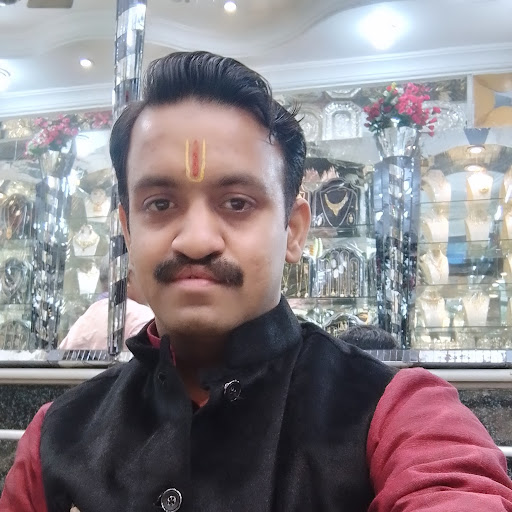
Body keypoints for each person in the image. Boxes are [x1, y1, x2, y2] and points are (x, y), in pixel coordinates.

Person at [2, 51, 512, 512]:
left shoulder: (396, 414)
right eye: (160, 204)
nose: (196, 240)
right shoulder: (55, 440)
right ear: (128, 230)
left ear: (293, 230)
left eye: (237, 203)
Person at [58, 267, 154, 351]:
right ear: (128, 279)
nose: (149, 283)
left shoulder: (88, 315)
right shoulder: (142, 316)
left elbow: (61, 355)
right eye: (144, 275)